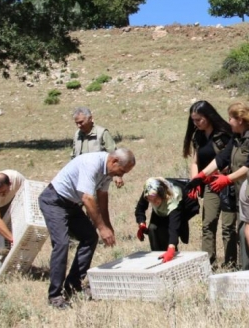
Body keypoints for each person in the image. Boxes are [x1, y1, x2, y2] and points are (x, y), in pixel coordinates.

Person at [38, 148, 135, 309]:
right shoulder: (91, 163)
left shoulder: (108, 171)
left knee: (90, 237)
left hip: (71, 204)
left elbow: (102, 198)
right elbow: (88, 198)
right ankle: (55, 296)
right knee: (62, 243)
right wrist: (101, 228)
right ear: (114, 161)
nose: (121, 175)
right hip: (54, 201)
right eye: (122, 171)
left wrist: (107, 226)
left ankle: (72, 286)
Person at [187, 102, 249, 267]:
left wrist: (227, 179)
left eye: (230, 118)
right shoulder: (236, 138)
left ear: (240, 119)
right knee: (244, 231)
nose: (228, 122)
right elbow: (221, 159)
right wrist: (199, 177)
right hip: (242, 192)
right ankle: (247, 268)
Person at [182, 101, 236, 267]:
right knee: (208, 224)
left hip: (227, 183)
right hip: (209, 185)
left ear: (208, 116)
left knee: (228, 227)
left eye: (199, 120)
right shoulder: (198, 136)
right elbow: (195, 161)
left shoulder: (225, 133)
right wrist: (195, 181)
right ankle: (208, 263)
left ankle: (231, 264)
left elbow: (231, 160)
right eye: (193, 120)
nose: (196, 123)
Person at [134, 177, 201, 262]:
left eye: (155, 199)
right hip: (163, 206)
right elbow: (140, 208)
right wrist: (141, 224)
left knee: (165, 231)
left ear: (161, 193)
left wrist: (171, 248)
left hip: (184, 207)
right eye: (150, 200)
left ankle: (172, 260)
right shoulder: (149, 191)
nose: (153, 202)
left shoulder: (174, 197)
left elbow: (174, 227)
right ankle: (158, 257)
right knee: (152, 229)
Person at [71, 107, 122, 188]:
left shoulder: (102, 133)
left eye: (81, 122)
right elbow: (73, 156)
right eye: (76, 123)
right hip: (82, 176)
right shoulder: (77, 135)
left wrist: (118, 175)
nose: (78, 125)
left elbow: (114, 155)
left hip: (100, 177)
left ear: (90, 118)